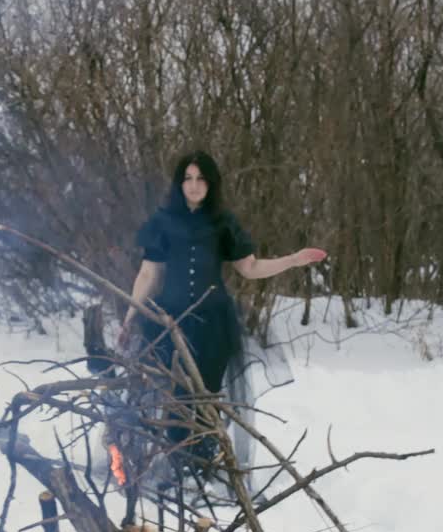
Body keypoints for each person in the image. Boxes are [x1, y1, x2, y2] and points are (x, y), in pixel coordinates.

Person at [119, 150, 326, 472]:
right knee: (175, 394)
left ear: (211, 183)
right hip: (170, 319)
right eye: (187, 178)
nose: (194, 185)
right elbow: (149, 273)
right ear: (179, 183)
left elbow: (251, 268)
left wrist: (292, 260)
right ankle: (177, 464)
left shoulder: (223, 222)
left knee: (207, 394)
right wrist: (131, 315)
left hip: (213, 322)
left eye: (201, 178)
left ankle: (202, 461)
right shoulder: (162, 221)